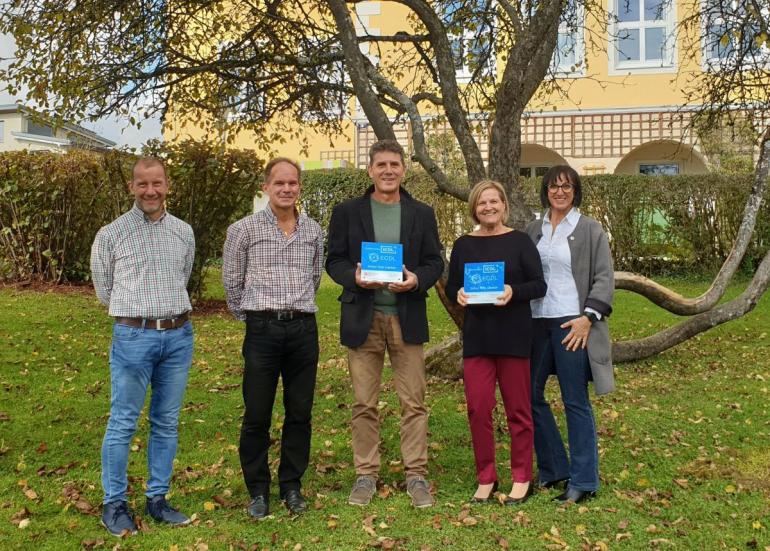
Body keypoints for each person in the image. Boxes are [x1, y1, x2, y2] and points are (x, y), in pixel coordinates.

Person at [325, 139, 443, 508]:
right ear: (371, 170)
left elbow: (434, 262)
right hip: (364, 316)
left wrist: (417, 280)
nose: (388, 171)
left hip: (406, 317)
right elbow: (335, 260)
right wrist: (353, 278)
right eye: (381, 165)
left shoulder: (421, 213)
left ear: (404, 170)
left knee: (414, 402)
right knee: (364, 402)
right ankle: (365, 474)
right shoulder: (347, 211)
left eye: (395, 164)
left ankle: (416, 475)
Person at [90, 157, 195, 536]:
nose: (150, 191)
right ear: (131, 187)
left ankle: (157, 499)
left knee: (166, 421)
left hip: (178, 337)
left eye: (157, 184)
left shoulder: (183, 232)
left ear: (167, 185)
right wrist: (138, 314)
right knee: (123, 422)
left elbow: (184, 273)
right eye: (142, 184)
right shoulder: (111, 234)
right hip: (133, 337)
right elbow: (105, 290)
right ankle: (114, 503)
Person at [223, 157, 323, 519]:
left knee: (299, 412)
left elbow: (314, 278)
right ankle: (258, 490)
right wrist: (252, 317)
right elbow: (232, 282)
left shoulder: (312, 230)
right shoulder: (243, 230)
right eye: (279, 183)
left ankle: (292, 486)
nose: (286, 189)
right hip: (262, 330)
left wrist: (293, 311)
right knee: (257, 412)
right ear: (266, 187)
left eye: (292, 183)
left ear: (299, 187)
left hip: (302, 330)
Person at [445, 180, 546, 505]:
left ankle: (521, 477)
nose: (488, 207)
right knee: (478, 409)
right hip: (478, 338)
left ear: (504, 204)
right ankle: (486, 476)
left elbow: (538, 285)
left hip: (514, 336)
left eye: (493, 201)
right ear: (474, 208)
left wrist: (514, 292)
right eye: (481, 203)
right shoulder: (463, 245)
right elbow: (453, 288)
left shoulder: (519, 242)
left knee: (518, 411)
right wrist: (457, 294)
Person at [526, 165, 615, 504]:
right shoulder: (534, 228)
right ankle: (554, 468)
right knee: (530, 395)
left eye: (567, 186)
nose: (560, 192)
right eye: (553, 186)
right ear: (545, 190)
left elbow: (605, 278)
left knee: (574, 399)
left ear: (575, 191)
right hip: (537, 322)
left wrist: (587, 318)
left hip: (571, 325)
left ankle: (584, 480)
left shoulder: (590, 229)